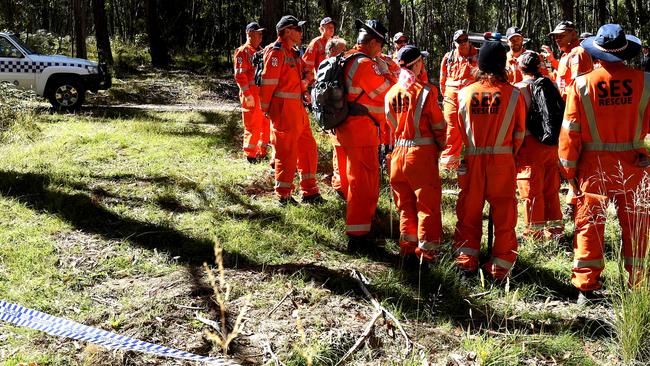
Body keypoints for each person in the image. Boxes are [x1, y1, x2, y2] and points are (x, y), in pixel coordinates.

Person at [558, 24, 650, 304]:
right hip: (634, 164)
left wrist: (569, 172)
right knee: (636, 225)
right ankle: (638, 286)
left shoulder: (582, 84)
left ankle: (586, 287)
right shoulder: (646, 82)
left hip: (593, 166)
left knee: (590, 224)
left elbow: (570, 132)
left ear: (596, 53)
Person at [451, 41, 527, 279]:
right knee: (504, 213)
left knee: (468, 211)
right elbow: (519, 133)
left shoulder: (463, 94)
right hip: (502, 160)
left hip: (472, 159)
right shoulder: (514, 95)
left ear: (480, 65)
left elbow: (458, 130)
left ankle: (466, 262)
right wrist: (508, 155)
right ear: (502, 65)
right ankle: (500, 267)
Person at [335, 19, 393, 251]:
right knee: (363, 181)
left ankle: (363, 224)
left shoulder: (350, 58)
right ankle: (357, 236)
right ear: (372, 43)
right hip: (360, 130)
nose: (382, 50)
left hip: (355, 128)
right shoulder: (364, 64)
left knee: (358, 178)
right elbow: (386, 92)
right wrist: (389, 74)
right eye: (381, 45)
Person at [384, 45, 446, 263]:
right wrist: (441, 145)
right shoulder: (426, 91)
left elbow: (390, 124)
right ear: (417, 64)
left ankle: (407, 249)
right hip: (419, 155)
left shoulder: (391, 93)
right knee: (426, 205)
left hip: (397, 154)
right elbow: (438, 124)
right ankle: (427, 255)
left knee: (405, 206)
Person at [259, 15, 323, 206]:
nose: (301, 33)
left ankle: (310, 191)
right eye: (298, 29)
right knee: (286, 152)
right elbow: (267, 84)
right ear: (287, 31)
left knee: (308, 148)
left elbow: (306, 72)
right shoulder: (276, 53)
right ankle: (283, 195)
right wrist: (267, 110)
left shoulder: (294, 52)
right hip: (284, 110)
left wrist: (304, 85)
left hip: (298, 109)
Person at [514, 51, 564, 240]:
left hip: (529, 145)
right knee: (551, 187)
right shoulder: (549, 84)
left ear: (520, 68)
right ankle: (555, 230)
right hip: (551, 143)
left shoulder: (518, 89)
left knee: (531, 190)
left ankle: (534, 233)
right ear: (539, 66)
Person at [439, 29, 478, 170]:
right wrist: (446, 97)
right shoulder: (448, 57)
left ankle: (473, 162)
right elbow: (442, 80)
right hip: (451, 98)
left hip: (472, 98)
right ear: (454, 43)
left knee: (473, 129)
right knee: (451, 129)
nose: (462, 43)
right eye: (459, 41)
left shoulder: (478, 55)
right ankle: (449, 165)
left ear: (468, 40)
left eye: (464, 40)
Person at [233, 22, 271, 164]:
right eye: (258, 33)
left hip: (262, 95)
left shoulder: (261, 51)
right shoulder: (242, 52)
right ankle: (250, 155)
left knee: (264, 123)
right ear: (249, 34)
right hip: (251, 95)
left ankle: (262, 151)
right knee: (252, 124)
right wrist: (247, 94)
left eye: (261, 33)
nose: (261, 36)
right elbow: (240, 75)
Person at [542, 21, 594, 99]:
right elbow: (559, 76)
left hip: (572, 105)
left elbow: (581, 88)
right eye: (556, 37)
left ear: (573, 34)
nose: (557, 40)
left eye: (561, 36)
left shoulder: (577, 53)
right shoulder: (566, 55)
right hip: (564, 105)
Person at [303, 17, 337, 86]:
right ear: (321, 29)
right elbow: (307, 65)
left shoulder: (336, 42)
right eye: (328, 27)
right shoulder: (315, 43)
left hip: (334, 82)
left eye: (332, 27)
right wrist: (311, 82)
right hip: (320, 82)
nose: (331, 29)